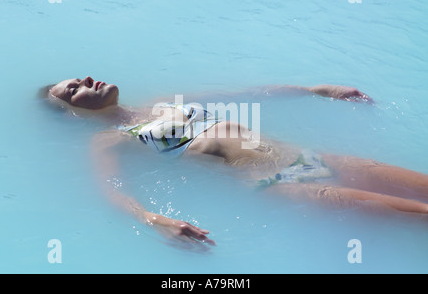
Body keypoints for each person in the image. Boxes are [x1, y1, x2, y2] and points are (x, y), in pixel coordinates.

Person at [41, 76, 428, 247]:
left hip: (308, 158)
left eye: (79, 77)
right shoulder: (110, 139)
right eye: (72, 90)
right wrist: (156, 221)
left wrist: (314, 89)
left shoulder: (161, 100)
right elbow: (113, 191)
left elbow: (247, 93)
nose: (86, 80)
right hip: (279, 182)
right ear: (72, 112)